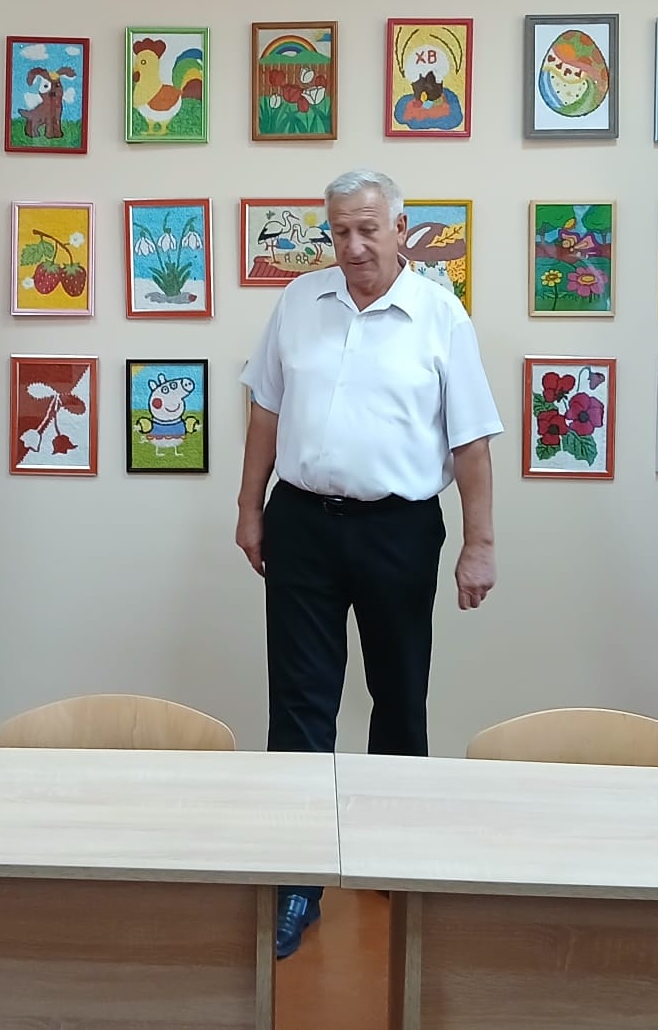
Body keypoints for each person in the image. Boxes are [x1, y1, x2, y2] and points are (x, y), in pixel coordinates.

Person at [235, 169, 502, 958]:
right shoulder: (298, 303)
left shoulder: (440, 315)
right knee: (299, 707)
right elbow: (265, 411)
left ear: (400, 230)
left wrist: (480, 544)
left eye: (367, 230)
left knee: (399, 699)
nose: (352, 247)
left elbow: (472, 442)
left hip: (399, 529)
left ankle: (395, 864)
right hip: (302, 524)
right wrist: (249, 507)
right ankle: (298, 882)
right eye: (340, 231)